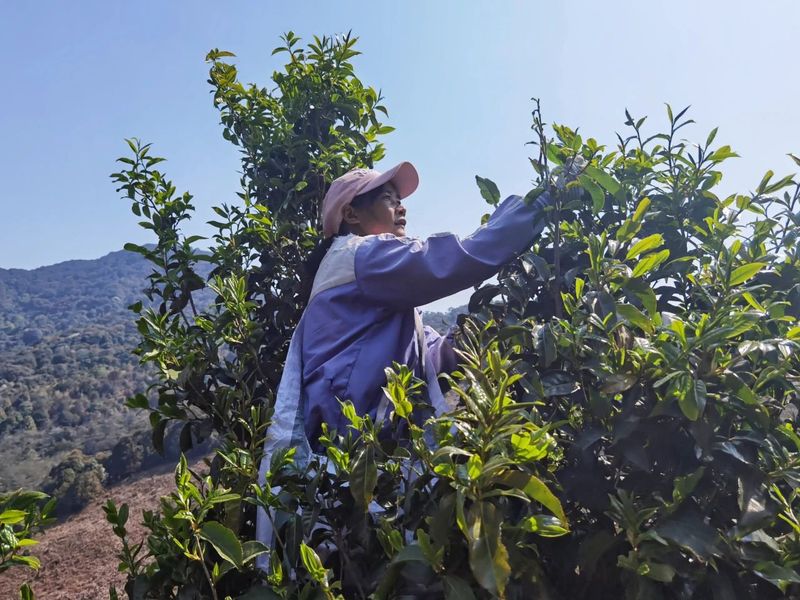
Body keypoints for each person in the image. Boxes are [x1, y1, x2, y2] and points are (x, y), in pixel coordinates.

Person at [255, 162, 552, 567]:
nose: (402, 209)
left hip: (357, 474)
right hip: (358, 465)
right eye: (388, 199)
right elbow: (455, 259)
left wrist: (491, 333)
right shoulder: (361, 257)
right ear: (351, 215)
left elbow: (431, 356)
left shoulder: (370, 289)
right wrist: (543, 200)